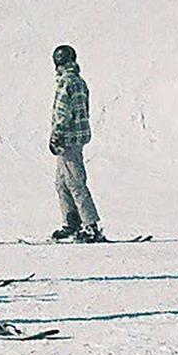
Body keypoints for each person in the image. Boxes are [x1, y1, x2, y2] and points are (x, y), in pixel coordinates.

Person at [46, 44, 104, 242]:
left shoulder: (66, 82)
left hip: (68, 139)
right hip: (75, 138)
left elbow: (63, 112)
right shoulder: (79, 81)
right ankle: (71, 222)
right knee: (62, 183)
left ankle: (90, 226)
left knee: (75, 182)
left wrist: (57, 134)